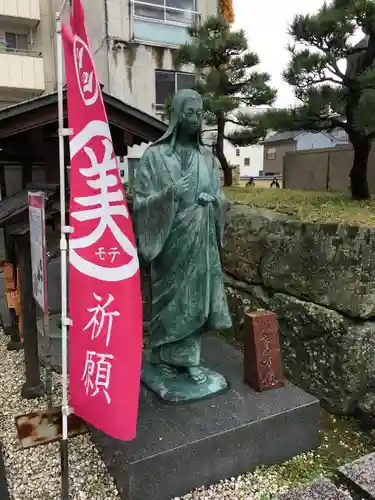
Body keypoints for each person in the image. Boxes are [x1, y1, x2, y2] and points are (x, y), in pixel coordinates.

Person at [133, 89, 232, 396]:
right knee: (170, 302)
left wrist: (213, 201)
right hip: (169, 242)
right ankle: (162, 355)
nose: (196, 119)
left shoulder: (209, 159)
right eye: (189, 112)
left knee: (196, 297)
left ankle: (189, 359)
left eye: (200, 113)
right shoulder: (155, 157)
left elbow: (222, 197)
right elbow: (140, 202)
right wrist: (172, 194)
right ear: (176, 115)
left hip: (199, 239)